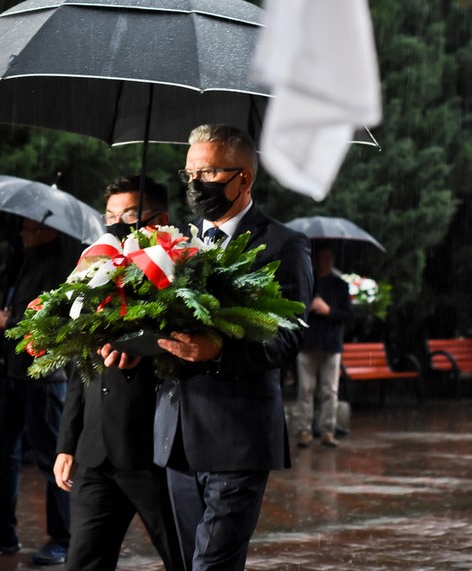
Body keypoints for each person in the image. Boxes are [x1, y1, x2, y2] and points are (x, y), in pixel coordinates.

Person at [102, 124, 312, 570]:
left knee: (211, 565)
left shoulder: (283, 244)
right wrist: (138, 349)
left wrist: (218, 350)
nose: (196, 183)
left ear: (244, 178)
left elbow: (287, 337)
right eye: (190, 173)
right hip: (175, 437)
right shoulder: (173, 242)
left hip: (238, 437)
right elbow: (158, 321)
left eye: (209, 172)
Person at [53, 174, 182, 571]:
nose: (117, 223)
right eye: (110, 215)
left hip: (152, 453)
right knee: (83, 561)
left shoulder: (179, 274)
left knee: (184, 558)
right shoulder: (96, 275)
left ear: (159, 218)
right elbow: (81, 368)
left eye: (129, 214)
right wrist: (67, 444)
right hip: (95, 454)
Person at [0, 218, 78, 566]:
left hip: (45, 376)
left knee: (50, 459)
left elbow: (53, 322)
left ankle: (64, 537)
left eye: (29, 229)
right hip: (16, 372)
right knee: (3, 451)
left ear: (48, 232)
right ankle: (2, 529)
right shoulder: (26, 261)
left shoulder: (59, 267)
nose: (21, 233)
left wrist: (10, 323)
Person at [294, 243, 353, 448]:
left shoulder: (340, 285)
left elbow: (348, 315)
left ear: (332, 260)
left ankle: (328, 430)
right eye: (321, 258)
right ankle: (304, 430)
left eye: (328, 258)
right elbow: (294, 310)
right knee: (305, 389)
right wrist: (308, 308)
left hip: (331, 344)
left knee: (330, 391)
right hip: (307, 343)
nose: (324, 262)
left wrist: (328, 311)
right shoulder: (307, 282)